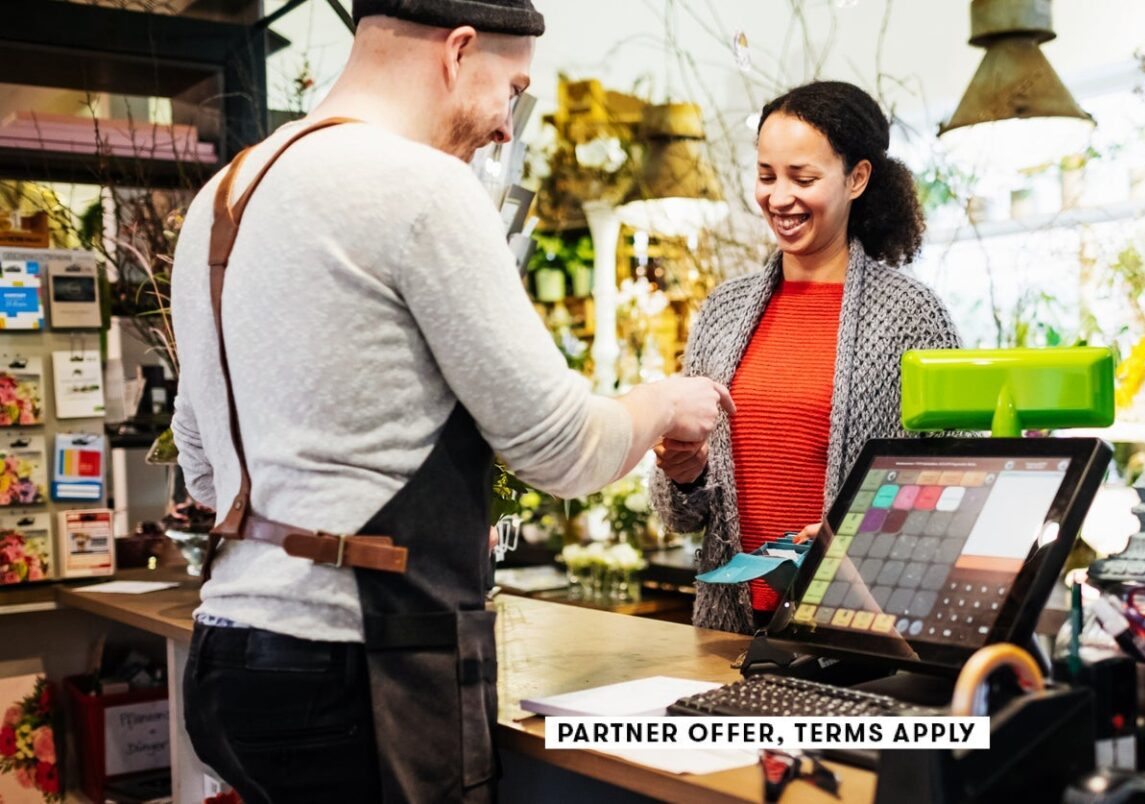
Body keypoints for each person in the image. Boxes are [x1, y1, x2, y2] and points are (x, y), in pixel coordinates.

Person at [169, 2, 732, 801]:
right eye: (513, 89)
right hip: (359, 667)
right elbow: (562, 449)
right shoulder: (421, 186)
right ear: (457, 51)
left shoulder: (223, 197)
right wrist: (664, 404)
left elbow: (199, 468)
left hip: (229, 657)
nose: (508, 127)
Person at [651, 81, 962, 635]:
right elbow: (682, 516)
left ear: (857, 178)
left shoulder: (910, 315)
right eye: (767, 175)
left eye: (804, 178)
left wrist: (856, 532)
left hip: (861, 633)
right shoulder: (723, 312)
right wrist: (684, 474)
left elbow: (957, 485)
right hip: (729, 631)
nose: (778, 197)